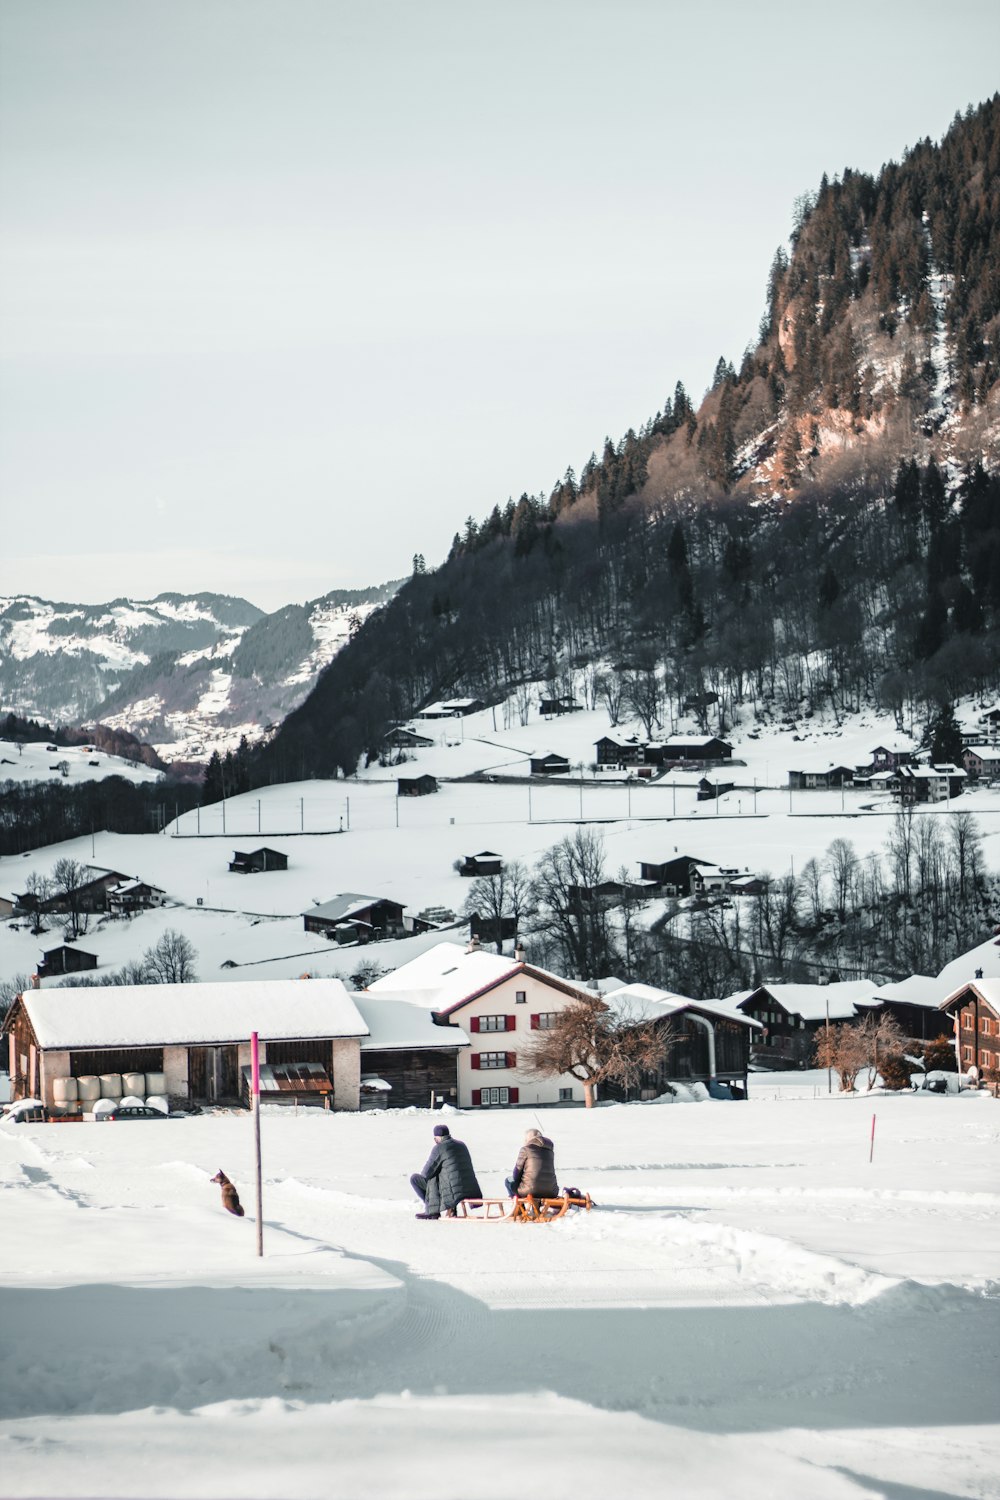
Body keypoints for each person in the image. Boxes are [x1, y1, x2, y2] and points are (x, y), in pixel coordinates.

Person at [409, 1123, 482, 1219]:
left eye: (435, 1138)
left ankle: (431, 1211)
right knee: (447, 1174)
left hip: (452, 1190)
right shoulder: (461, 1145)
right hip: (470, 1188)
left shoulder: (439, 1148)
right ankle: (451, 1210)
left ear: (437, 1137)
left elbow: (426, 1173)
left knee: (416, 1179)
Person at [505, 1127, 558, 1200]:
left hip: (530, 1190)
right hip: (551, 1191)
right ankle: (536, 1206)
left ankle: (519, 1207)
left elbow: (516, 1172)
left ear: (528, 1139)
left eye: (525, 1139)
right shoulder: (550, 1151)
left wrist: (517, 1182)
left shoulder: (526, 1149)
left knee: (508, 1180)